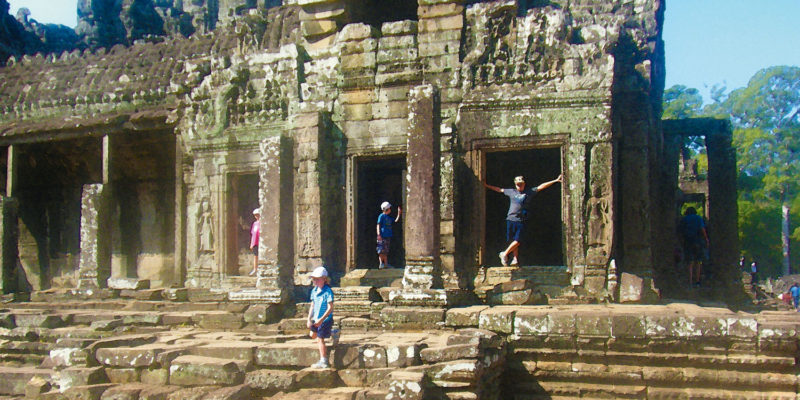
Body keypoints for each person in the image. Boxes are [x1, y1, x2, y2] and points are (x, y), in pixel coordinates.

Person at [484, 174, 562, 266]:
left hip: (521, 220)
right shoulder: (511, 192)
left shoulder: (529, 192)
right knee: (514, 240)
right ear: (515, 184)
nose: (520, 186)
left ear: (524, 184)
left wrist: (555, 180)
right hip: (510, 218)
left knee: (519, 240)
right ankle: (515, 259)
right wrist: (486, 185)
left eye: (521, 184)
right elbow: (499, 189)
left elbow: (541, 187)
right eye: (518, 184)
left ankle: (504, 254)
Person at [307, 266, 339, 368]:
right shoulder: (314, 291)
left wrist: (322, 319)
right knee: (312, 335)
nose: (315, 281)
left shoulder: (328, 291)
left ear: (324, 279)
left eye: (317, 279)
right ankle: (334, 332)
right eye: (314, 279)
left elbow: (330, 307)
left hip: (325, 319)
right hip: (317, 319)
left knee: (320, 339)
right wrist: (309, 318)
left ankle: (323, 360)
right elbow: (312, 305)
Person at [678, 207, 709, 287]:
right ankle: (697, 281)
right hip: (697, 241)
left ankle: (690, 281)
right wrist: (706, 240)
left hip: (688, 241)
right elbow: (702, 229)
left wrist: (681, 242)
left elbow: (680, 232)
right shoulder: (698, 218)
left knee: (689, 262)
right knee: (698, 261)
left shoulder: (684, 219)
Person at [376, 201, 402, 269]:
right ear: (386, 209)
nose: (390, 209)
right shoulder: (381, 216)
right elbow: (378, 225)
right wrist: (379, 235)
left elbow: (395, 221)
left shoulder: (388, 217)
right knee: (381, 250)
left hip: (387, 236)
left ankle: (386, 264)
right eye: (390, 208)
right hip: (382, 236)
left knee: (385, 251)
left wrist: (399, 214)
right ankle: (381, 263)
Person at [249, 208, 260, 276]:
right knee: (255, 256)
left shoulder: (262, 223)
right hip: (255, 242)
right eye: (255, 215)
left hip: (260, 242)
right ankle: (255, 269)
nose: (257, 217)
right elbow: (253, 234)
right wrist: (251, 244)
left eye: (258, 215)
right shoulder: (255, 224)